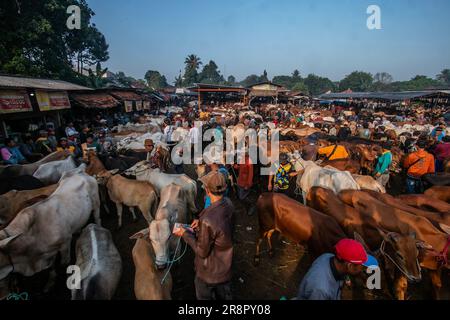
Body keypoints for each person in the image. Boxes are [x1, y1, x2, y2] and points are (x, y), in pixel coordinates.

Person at [174, 170, 234, 300]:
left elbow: (201, 252)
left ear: (207, 190)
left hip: (209, 274)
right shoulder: (229, 204)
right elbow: (221, 230)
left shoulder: (208, 219)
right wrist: (200, 222)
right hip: (225, 268)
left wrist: (185, 234)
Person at [296, 238, 378, 300]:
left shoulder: (328, 257)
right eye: (362, 266)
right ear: (349, 266)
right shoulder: (321, 290)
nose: (362, 270)